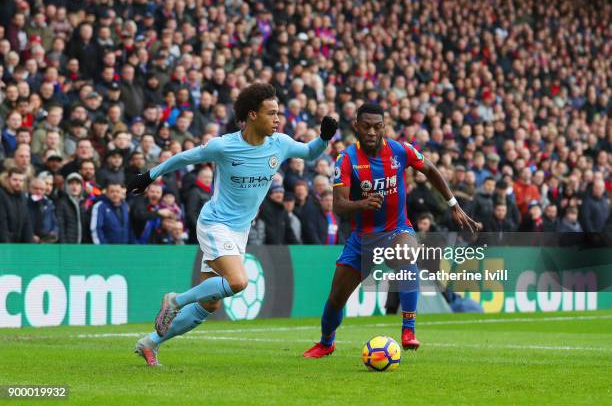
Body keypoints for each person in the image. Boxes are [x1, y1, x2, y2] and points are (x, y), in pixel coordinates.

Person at [127, 83, 337, 366]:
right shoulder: (223, 146)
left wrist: (324, 137)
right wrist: (149, 176)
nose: (278, 119)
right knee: (237, 281)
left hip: (240, 230)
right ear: (252, 115)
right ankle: (175, 301)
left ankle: (150, 343)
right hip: (215, 224)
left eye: (278, 113)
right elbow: (183, 158)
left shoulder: (281, 144)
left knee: (210, 303)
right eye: (271, 113)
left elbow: (311, 153)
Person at [302, 103, 479, 358]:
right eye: (366, 126)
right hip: (362, 238)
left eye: (377, 126)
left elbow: (429, 169)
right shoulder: (346, 159)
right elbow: (339, 205)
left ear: (384, 126)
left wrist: (453, 204)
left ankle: (408, 329)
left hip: (397, 229)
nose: (372, 132)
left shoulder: (400, 150)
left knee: (407, 256)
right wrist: (362, 203)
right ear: (356, 127)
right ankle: (326, 342)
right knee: (336, 299)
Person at [0, 168, 34, 242]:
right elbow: (2, 224)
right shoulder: (2, 195)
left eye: (21, 180)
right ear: (8, 179)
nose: (18, 183)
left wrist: (30, 245)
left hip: (17, 243)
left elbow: (26, 222)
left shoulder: (22, 197)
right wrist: (6, 247)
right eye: (15, 180)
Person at [56, 172, 87, 243]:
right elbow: (60, 227)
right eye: (71, 183)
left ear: (81, 187)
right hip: (68, 247)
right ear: (66, 186)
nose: (74, 187)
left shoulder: (83, 204)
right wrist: (65, 246)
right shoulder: (62, 204)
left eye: (77, 184)